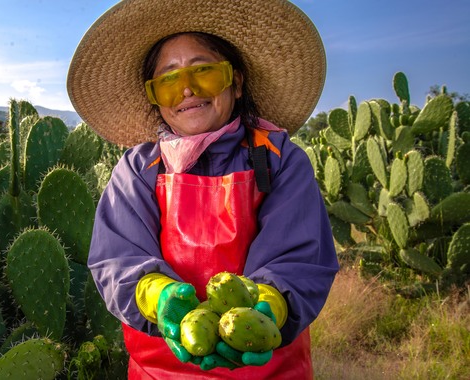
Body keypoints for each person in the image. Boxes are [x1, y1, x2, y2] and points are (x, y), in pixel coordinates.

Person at [67, 0, 339, 378]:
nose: (188, 90)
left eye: (204, 71)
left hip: (271, 369)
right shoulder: (138, 169)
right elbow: (118, 259)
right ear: (155, 97)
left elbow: (300, 260)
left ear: (236, 81)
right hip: (159, 371)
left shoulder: (279, 159)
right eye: (168, 80)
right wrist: (157, 296)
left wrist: (270, 307)